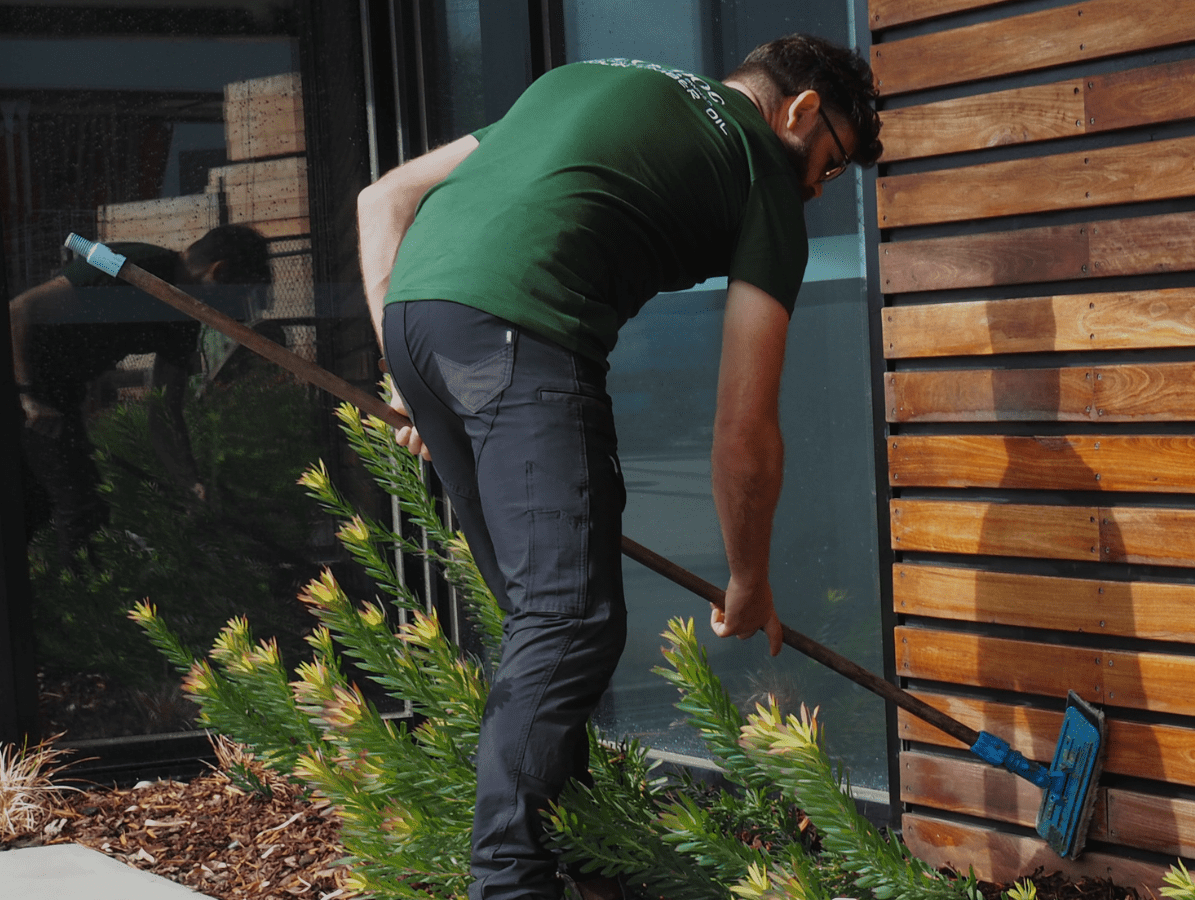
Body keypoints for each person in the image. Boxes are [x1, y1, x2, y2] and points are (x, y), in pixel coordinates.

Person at [355, 33, 882, 900]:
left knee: (544, 622)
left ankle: (584, 853)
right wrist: (748, 578)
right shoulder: (763, 180)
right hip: (525, 333)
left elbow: (386, 198)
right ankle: (511, 885)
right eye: (831, 164)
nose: (821, 190)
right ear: (800, 110)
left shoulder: (586, 78)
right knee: (568, 623)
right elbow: (743, 429)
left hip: (418, 320)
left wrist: (412, 377)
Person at [10, 224, 271, 563]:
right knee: (81, 508)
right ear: (217, 273)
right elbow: (18, 311)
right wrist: (28, 396)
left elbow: (165, 411)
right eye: (236, 299)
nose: (229, 316)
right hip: (26, 390)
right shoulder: (128, 264)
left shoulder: (184, 320)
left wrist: (191, 484)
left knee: (40, 505)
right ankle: (85, 606)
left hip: (57, 401)